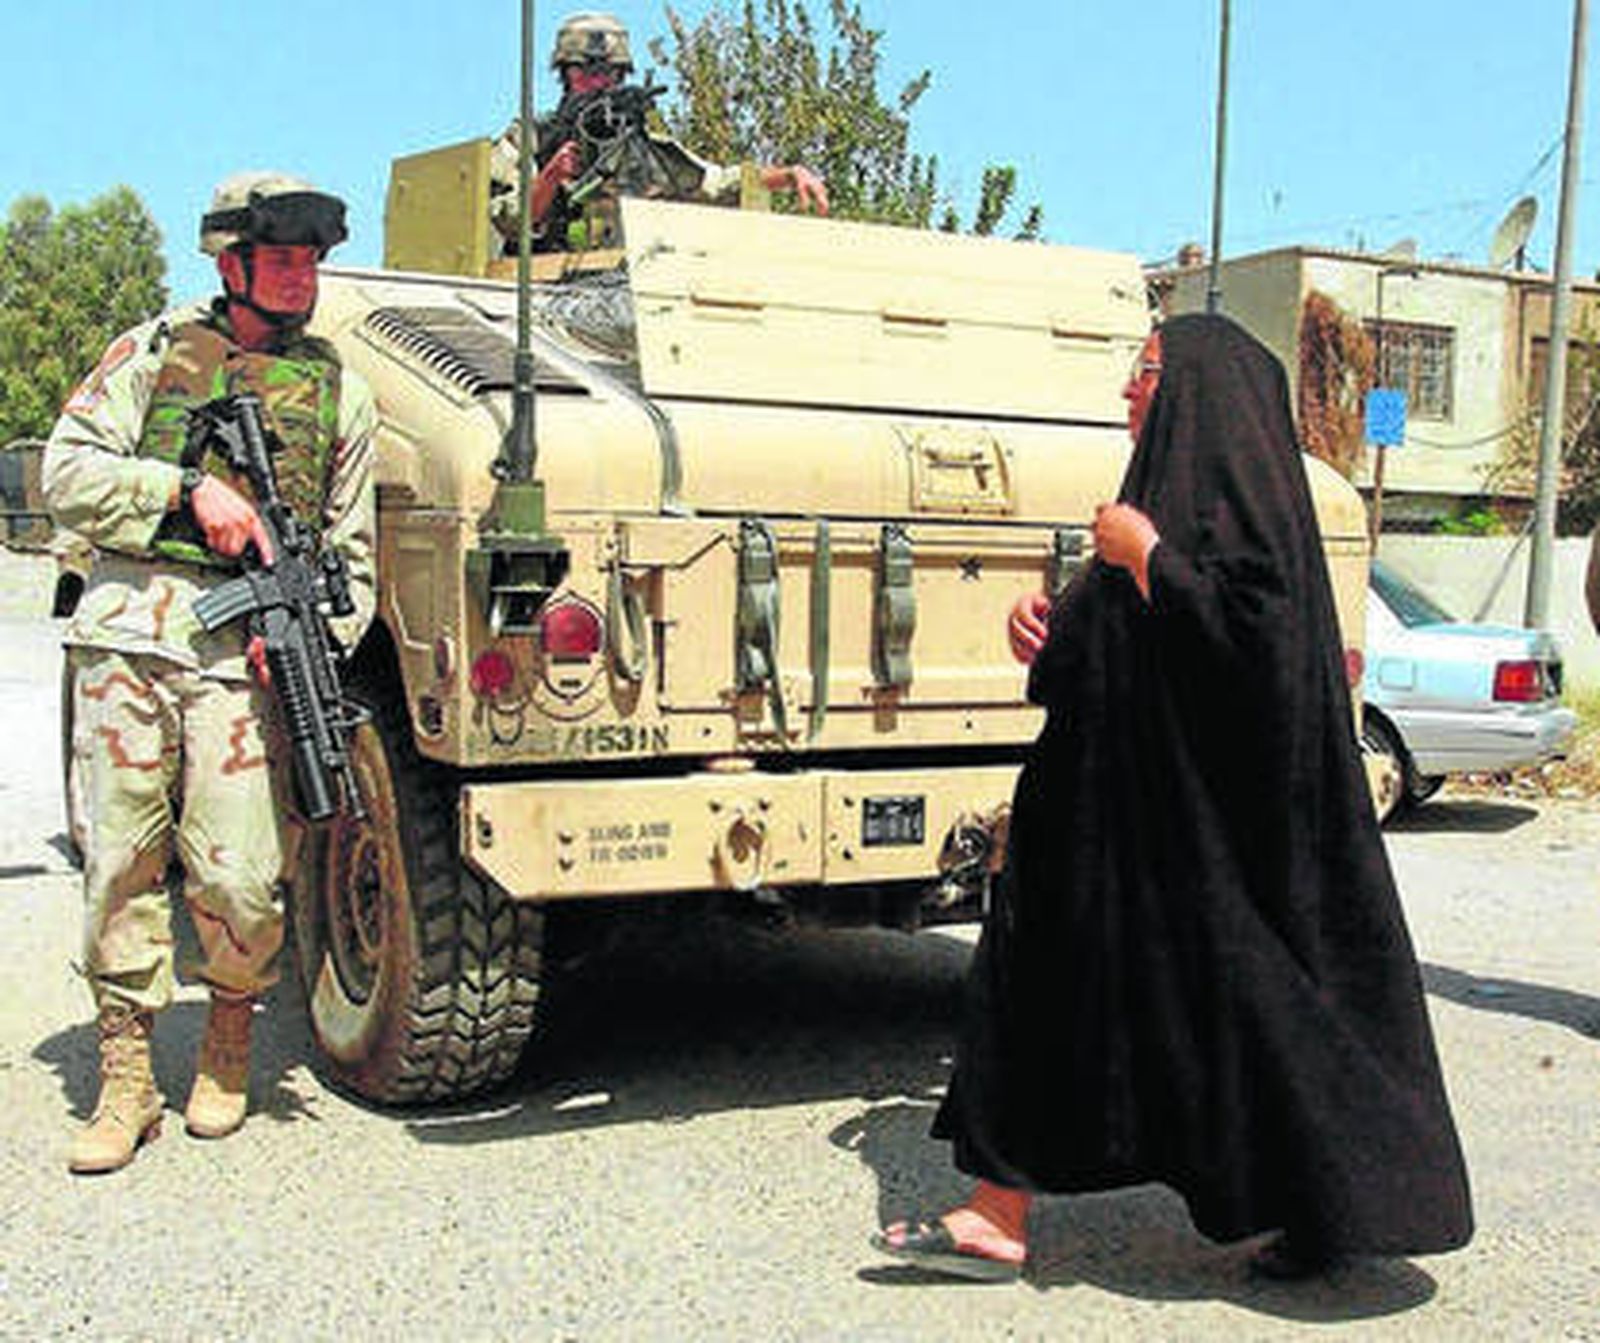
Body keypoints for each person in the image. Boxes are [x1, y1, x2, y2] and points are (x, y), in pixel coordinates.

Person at [872, 313, 1473, 1281]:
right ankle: (996, 1211)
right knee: (1060, 992)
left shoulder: (1234, 519)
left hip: (1204, 848)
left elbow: (1260, 649)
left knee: (1252, 1018)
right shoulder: (1154, 500)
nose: (1128, 390)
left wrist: (1147, 556)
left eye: (1145, 372)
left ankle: (1315, 1207)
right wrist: (1047, 626)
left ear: (1198, 393)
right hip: (1114, 833)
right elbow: (1112, 646)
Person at [44, 171, 376, 1173]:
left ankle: (230, 1036)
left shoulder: (342, 392)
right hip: (130, 641)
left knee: (241, 874)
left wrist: (311, 632)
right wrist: (185, 490)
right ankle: (126, 1078)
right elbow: (64, 474)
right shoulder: (152, 354)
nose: (301, 276)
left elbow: (352, 557)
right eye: (281, 259)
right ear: (231, 265)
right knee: (121, 863)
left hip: (244, 663)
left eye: (311, 260)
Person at [490, 10, 829, 253]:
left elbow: (720, 184)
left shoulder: (643, 152)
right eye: (585, 72)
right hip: (534, 294)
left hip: (616, 293)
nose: (598, 83)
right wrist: (550, 177)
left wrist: (788, 174)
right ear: (565, 75)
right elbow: (503, 222)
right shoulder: (530, 140)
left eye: (609, 73)